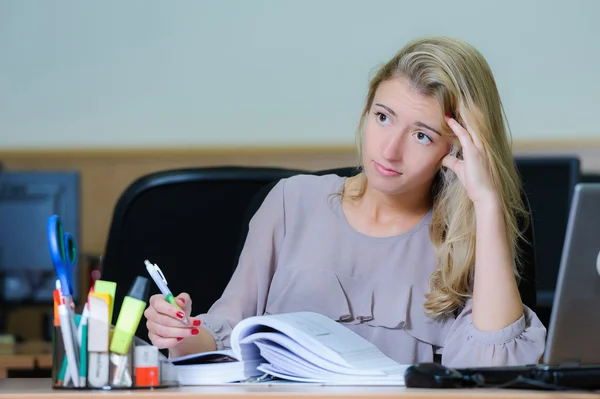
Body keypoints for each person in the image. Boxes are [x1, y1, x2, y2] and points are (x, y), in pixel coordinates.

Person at [143, 36, 547, 367]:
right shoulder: (291, 202)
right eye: (383, 117)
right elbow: (225, 335)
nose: (389, 151)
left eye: (422, 135)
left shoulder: (470, 238)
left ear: (457, 150)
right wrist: (181, 333)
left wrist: (488, 203)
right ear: (366, 111)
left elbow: (497, 371)